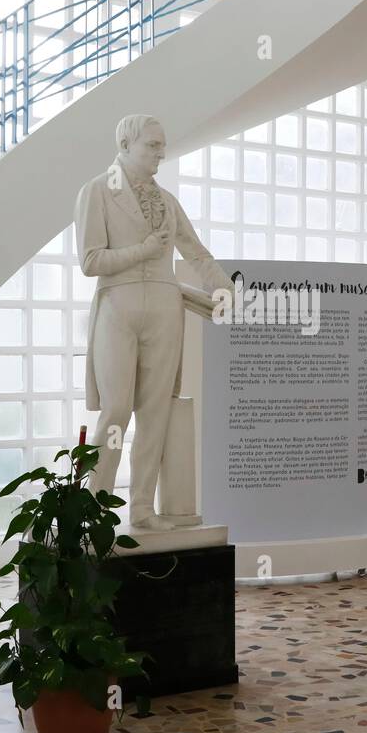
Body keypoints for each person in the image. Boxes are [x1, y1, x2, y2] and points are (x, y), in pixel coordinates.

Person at [76, 115, 233, 529]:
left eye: (163, 146)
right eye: (153, 146)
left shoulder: (167, 201)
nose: (161, 153)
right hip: (118, 305)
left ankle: (142, 508)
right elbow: (90, 261)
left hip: (165, 307)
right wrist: (143, 250)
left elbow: (196, 253)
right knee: (115, 411)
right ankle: (94, 508)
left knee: (155, 412)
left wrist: (224, 291)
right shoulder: (96, 191)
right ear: (126, 144)